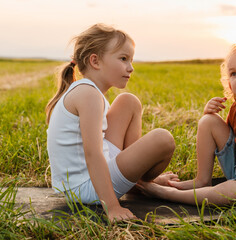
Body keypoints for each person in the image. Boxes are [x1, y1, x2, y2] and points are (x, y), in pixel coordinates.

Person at [46, 23, 179, 221]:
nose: (131, 67)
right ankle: (139, 183)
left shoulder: (89, 91)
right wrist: (112, 206)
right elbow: (93, 154)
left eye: (131, 60)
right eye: (123, 59)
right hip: (85, 188)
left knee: (129, 101)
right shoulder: (88, 95)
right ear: (95, 61)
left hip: (91, 177)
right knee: (163, 139)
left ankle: (136, 182)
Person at [138, 43, 236, 206]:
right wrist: (208, 113)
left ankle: (167, 193)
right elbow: (226, 142)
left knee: (229, 192)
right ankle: (201, 181)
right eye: (233, 74)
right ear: (229, 84)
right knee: (208, 121)